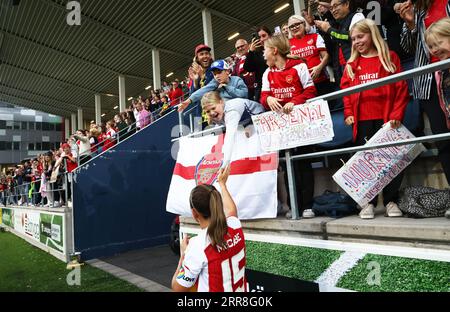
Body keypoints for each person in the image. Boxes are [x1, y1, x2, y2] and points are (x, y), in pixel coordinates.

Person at [341, 19, 410, 219]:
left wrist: (396, 114)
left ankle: (391, 200)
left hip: (387, 119)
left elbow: (401, 89)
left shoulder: (390, 57)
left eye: (360, 37)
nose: (356, 42)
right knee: (366, 162)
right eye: (353, 39)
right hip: (362, 120)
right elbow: (346, 92)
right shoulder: (352, 64)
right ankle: (368, 203)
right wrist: (348, 113)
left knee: (391, 161)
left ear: (372, 35)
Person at [261, 34, 318, 219]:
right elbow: (263, 98)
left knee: (303, 163)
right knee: (287, 165)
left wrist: (295, 101)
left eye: (265, 50)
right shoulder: (267, 73)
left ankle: (308, 206)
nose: (263, 54)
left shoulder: (299, 67)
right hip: (281, 128)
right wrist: (268, 98)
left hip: (301, 124)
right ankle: (294, 205)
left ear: (274, 51)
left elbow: (311, 90)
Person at [399, 0, 450, 189]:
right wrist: (411, 24)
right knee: (444, 141)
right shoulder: (419, 10)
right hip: (430, 83)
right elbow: (407, 47)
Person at [172, 166, 246, 292]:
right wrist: (222, 185)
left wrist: (184, 255)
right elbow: (231, 210)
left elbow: (177, 288)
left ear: (194, 213)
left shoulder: (198, 245)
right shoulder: (235, 225)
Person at [200, 91, 265, 167]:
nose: (211, 113)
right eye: (208, 111)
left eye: (213, 108)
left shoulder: (232, 111)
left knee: (248, 137)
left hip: (259, 116)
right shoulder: (215, 114)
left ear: (221, 102)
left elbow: (229, 138)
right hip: (244, 122)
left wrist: (225, 165)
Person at [288, 15, 335, 106]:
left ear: (304, 23)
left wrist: (319, 67)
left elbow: (326, 56)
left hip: (321, 81)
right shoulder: (288, 44)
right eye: (292, 26)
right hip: (302, 87)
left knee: (328, 109)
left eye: (297, 24)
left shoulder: (315, 37)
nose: (295, 27)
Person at [315, 0, 365, 85]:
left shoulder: (357, 16)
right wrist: (325, 33)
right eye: (331, 8)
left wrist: (329, 30)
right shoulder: (336, 25)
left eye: (335, 6)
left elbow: (350, 37)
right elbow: (331, 51)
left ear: (346, 4)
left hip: (357, 66)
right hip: (340, 70)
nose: (333, 10)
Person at [179, 59, 248, 112]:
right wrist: (188, 100)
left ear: (227, 71)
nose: (217, 76)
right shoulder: (215, 83)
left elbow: (244, 94)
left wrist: (227, 87)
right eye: (214, 74)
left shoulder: (237, 80)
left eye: (219, 72)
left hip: (241, 111)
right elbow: (204, 90)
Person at [243, 26, 272, 102]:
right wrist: (251, 51)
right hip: (262, 88)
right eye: (259, 37)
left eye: (264, 36)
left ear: (270, 35)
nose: (262, 39)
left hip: (277, 83)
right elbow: (247, 68)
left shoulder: (277, 48)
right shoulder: (256, 53)